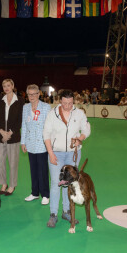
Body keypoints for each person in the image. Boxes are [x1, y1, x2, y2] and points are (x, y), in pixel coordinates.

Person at [43, 89, 91, 228]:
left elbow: (86, 129)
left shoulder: (79, 113)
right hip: (56, 153)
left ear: (73, 101)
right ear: (60, 101)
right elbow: (46, 134)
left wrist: (80, 139)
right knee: (56, 184)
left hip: (73, 153)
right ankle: (53, 214)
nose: (67, 106)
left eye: (70, 103)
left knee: (69, 183)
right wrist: (50, 153)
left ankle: (66, 211)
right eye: (65, 103)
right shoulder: (52, 114)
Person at [21, 84, 52, 205]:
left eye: (34, 94)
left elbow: (49, 127)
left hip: (42, 143)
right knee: (33, 169)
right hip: (30, 143)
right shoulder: (25, 107)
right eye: (30, 94)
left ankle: (45, 194)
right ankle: (34, 193)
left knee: (43, 170)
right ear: (27, 95)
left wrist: (48, 142)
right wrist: (23, 142)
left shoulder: (46, 107)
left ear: (39, 94)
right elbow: (24, 125)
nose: (32, 96)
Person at [0, 79, 24, 196]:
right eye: (4, 86)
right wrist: (2, 132)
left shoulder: (20, 101)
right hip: (0, 136)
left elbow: (20, 120)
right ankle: (3, 184)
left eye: (8, 85)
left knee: (13, 162)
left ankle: (12, 185)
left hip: (14, 136)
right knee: (0, 162)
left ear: (13, 86)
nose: (6, 88)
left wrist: (10, 133)